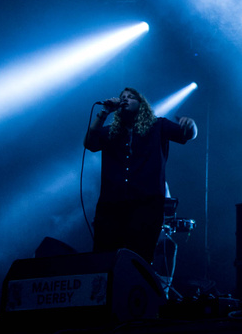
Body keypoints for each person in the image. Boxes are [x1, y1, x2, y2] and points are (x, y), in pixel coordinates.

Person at [84, 87, 197, 263]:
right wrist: (104, 112)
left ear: (141, 104)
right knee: (104, 259)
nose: (125, 99)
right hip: (111, 205)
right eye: (122, 97)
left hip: (146, 205)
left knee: (139, 259)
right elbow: (90, 143)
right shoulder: (110, 132)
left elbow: (188, 134)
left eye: (130, 97)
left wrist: (190, 125)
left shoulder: (158, 126)